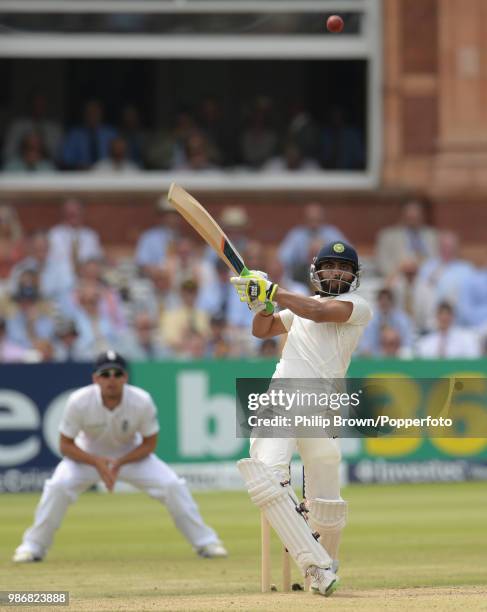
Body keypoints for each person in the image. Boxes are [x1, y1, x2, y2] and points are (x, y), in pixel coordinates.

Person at [230, 241, 372, 596]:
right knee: (267, 478)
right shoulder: (297, 312)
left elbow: (319, 313)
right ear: (316, 271)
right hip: (282, 399)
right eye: (330, 266)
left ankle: (328, 560)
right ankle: (316, 567)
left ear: (354, 276)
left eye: (344, 267)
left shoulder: (357, 307)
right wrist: (263, 305)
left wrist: (274, 291)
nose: (336, 272)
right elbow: (261, 331)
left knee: (327, 495)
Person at [13, 350, 227, 563]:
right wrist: (98, 463)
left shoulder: (141, 401)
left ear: (125, 377)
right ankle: (33, 546)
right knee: (58, 487)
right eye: (105, 375)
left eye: (117, 374)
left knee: (172, 485)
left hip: (130, 456)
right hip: (86, 456)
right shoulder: (79, 401)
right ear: (95, 378)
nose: (111, 380)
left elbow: (149, 444)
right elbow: (66, 445)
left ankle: (206, 542)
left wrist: (118, 463)